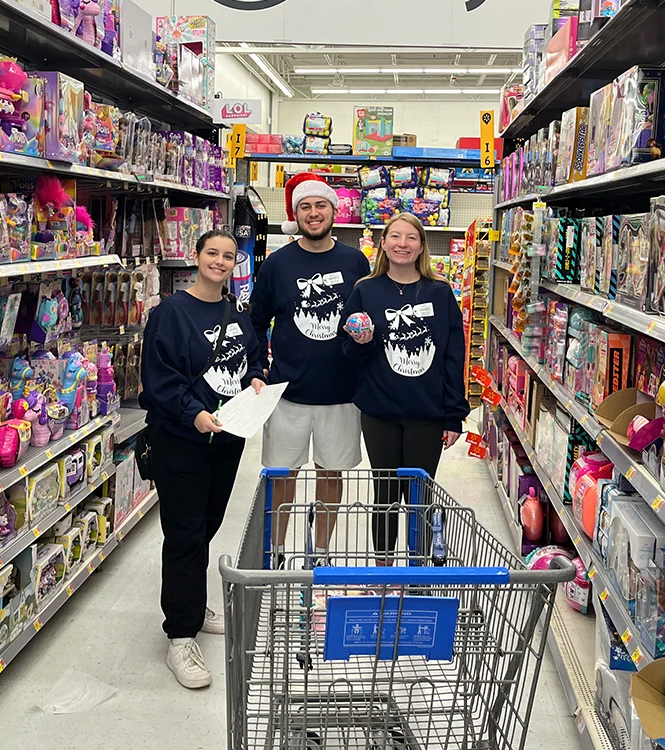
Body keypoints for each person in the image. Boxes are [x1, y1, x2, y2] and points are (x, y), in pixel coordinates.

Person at [139, 229, 265, 689]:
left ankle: (192, 601)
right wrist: (194, 415)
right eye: (212, 253)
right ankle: (180, 634)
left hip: (228, 440)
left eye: (228, 256)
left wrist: (255, 379)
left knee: (208, 524)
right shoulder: (170, 313)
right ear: (196, 257)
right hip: (182, 440)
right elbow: (159, 378)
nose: (219, 261)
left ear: (236, 264)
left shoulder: (237, 311)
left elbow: (251, 357)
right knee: (185, 533)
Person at [250, 172, 371, 569]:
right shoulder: (277, 265)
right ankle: (277, 550)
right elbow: (256, 321)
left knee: (330, 475)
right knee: (282, 477)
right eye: (305, 206)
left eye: (320, 205)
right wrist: (257, 368)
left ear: (334, 211)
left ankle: (321, 551)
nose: (313, 213)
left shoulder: (355, 261)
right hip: (287, 393)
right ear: (295, 214)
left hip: (342, 392)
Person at [340, 212, 470, 563]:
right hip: (379, 411)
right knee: (384, 494)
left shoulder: (440, 293)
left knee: (420, 496)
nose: (402, 244)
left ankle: (417, 569)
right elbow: (350, 353)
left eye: (411, 237)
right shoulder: (365, 291)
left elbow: (453, 356)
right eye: (395, 236)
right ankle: (382, 568)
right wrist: (362, 341)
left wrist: (453, 415)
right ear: (383, 243)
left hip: (427, 414)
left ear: (421, 246)